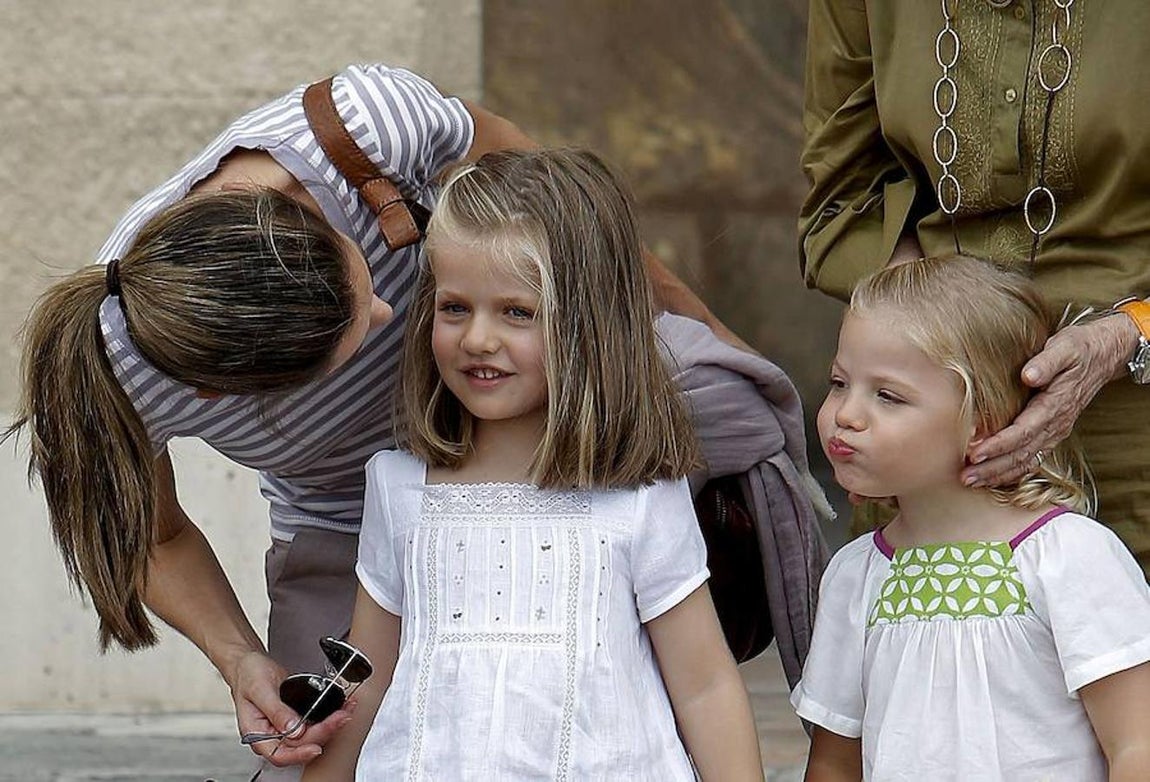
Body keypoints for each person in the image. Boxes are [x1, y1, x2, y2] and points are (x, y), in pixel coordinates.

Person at [4, 64, 737, 777]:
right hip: (342, 517)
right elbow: (155, 535)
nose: (393, 314)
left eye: (370, 281)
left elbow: (552, 209)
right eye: (362, 334)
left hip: (567, 445)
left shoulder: (360, 125)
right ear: (228, 395)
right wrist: (240, 660)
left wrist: (689, 323)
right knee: (317, 742)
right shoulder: (114, 374)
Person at [298, 148, 764, 781]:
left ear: (589, 327)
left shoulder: (640, 499)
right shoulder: (399, 488)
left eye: (516, 312)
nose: (477, 338)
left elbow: (705, 686)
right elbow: (367, 686)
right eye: (455, 307)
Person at [800, 2, 1150, 571]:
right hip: (937, 443)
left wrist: (1127, 335)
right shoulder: (852, 577)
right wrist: (915, 366)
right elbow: (841, 196)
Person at [791, 256, 1150, 781]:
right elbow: (834, 763)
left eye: (886, 395)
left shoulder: (1068, 557)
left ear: (981, 423)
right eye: (840, 382)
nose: (846, 413)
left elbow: (1136, 742)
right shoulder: (855, 575)